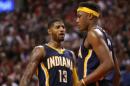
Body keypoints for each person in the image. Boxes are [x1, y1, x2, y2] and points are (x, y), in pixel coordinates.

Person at [19, 18, 78, 86]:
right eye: (57, 27)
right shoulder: (41, 50)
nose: (62, 29)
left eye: (63, 27)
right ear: (49, 31)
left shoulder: (71, 54)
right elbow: (26, 77)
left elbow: (76, 82)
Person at [76, 1, 120, 86]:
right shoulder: (106, 36)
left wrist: (82, 82)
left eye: (79, 16)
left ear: (90, 16)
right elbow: (117, 73)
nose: (77, 20)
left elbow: (108, 64)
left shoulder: (93, 34)